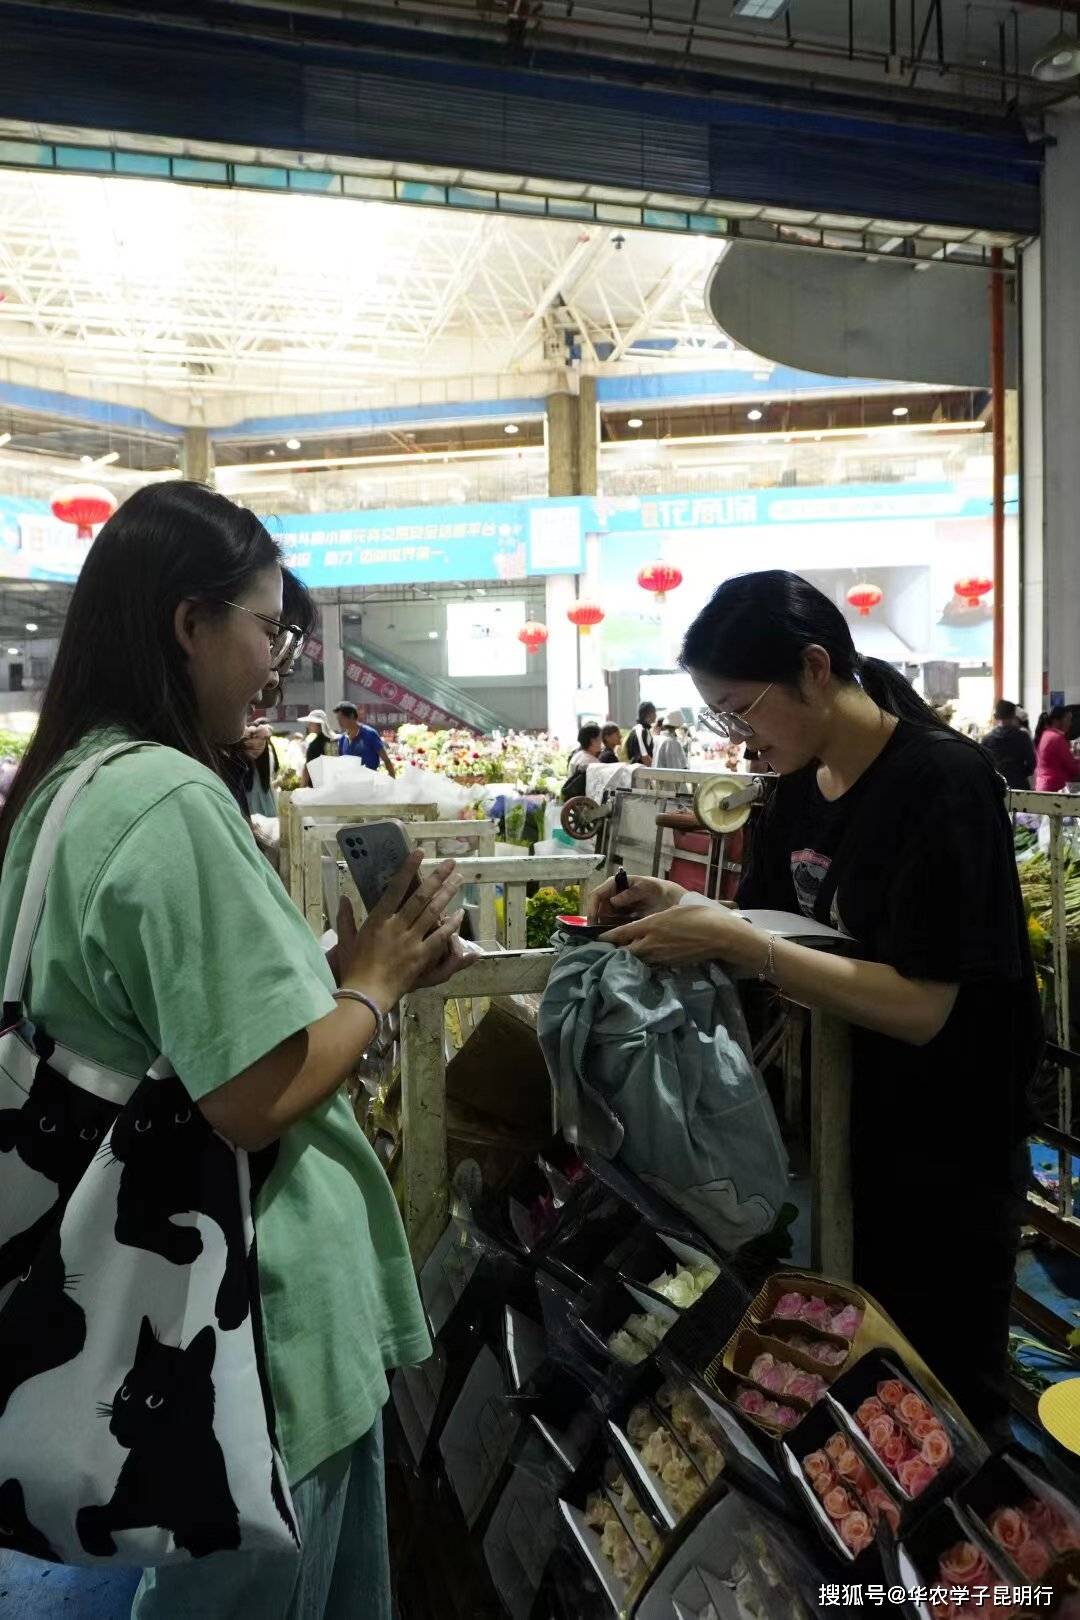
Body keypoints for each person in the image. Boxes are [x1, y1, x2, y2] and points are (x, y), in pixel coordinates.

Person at [0, 481, 467, 1616]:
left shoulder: (63, 790)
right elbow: (256, 1094)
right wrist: (377, 983)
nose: (281, 659)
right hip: (247, 1324)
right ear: (189, 624)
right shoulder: (168, 798)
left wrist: (340, 976)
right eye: (272, 628)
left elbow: (153, 1023)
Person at [588, 570, 1040, 1435]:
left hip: (948, 1143)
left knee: (938, 1390)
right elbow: (769, 924)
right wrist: (676, 908)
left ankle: (975, 1572)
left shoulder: (942, 784)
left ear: (815, 668)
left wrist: (731, 940)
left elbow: (923, 1007)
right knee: (850, 1380)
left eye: (741, 710)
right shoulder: (798, 788)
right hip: (839, 1130)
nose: (738, 738)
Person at [981, 700, 1036, 791]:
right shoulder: (1022, 737)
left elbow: (983, 765)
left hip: (995, 786)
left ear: (996, 716)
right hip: (1018, 785)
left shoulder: (987, 739)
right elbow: (1032, 763)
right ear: (1013, 716)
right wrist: (1020, 774)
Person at [334, 701, 397, 778]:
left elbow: (386, 760)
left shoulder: (370, 734)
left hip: (369, 783)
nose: (339, 722)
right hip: (349, 784)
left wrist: (392, 779)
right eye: (338, 719)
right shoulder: (343, 739)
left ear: (351, 716)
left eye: (342, 719)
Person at [1034, 705, 1080, 793]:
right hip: (1054, 788)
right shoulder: (1057, 738)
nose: (1070, 724)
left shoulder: (1046, 734)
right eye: (1068, 719)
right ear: (1057, 720)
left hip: (1042, 786)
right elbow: (1072, 768)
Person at [562, 723, 603, 801]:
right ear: (593, 741)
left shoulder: (577, 755)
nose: (601, 741)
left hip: (574, 802)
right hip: (585, 804)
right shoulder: (592, 762)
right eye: (600, 738)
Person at [298, 707, 337, 788]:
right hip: (334, 786)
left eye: (311, 723)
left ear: (319, 724)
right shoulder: (335, 740)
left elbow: (307, 769)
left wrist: (301, 789)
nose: (308, 725)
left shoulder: (315, 745)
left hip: (318, 788)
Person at [626, 701, 656, 767]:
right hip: (640, 772)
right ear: (649, 714)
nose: (656, 715)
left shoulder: (641, 729)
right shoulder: (640, 730)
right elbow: (644, 757)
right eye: (654, 712)